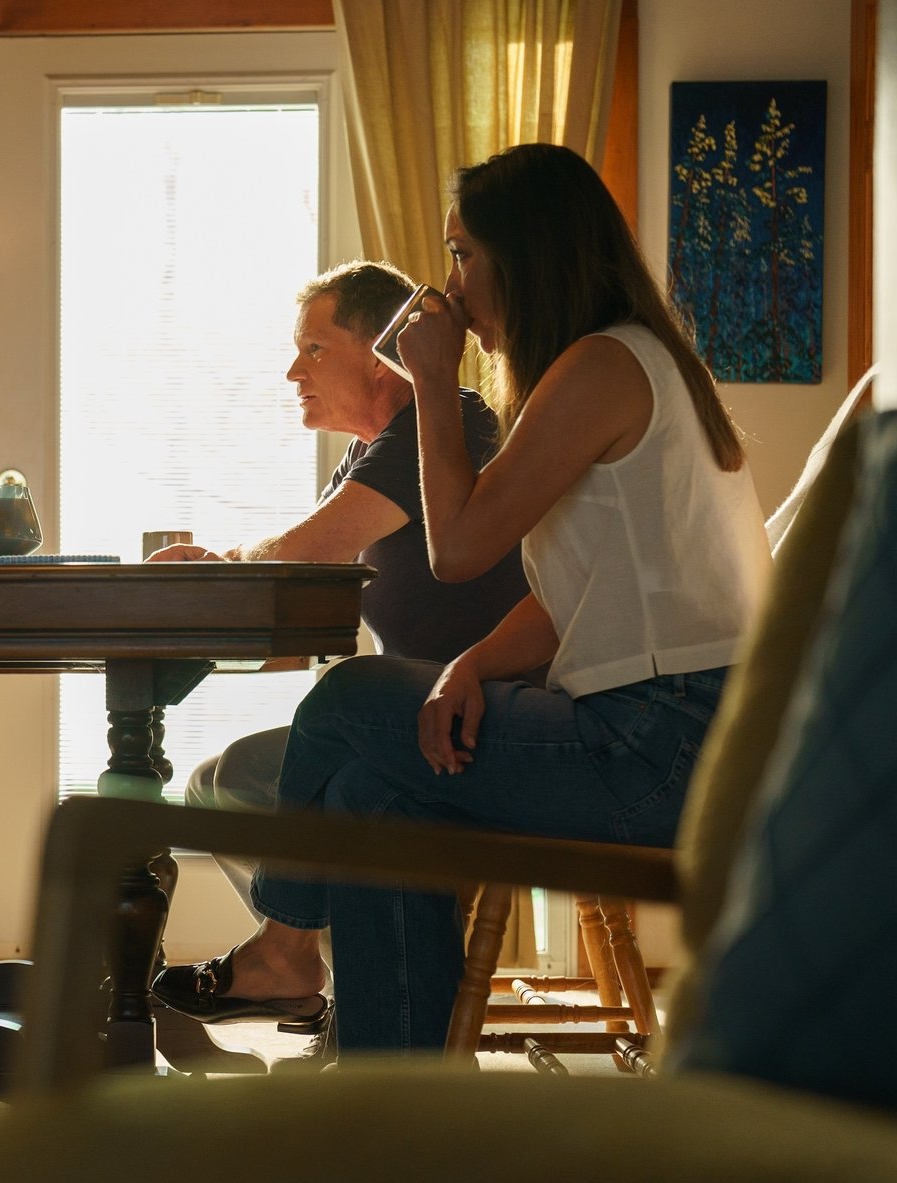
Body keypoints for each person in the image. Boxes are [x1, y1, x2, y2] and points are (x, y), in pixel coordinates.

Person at [203, 142, 770, 1056]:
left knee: (345, 698)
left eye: (463, 254)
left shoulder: (601, 368)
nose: (453, 286)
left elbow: (460, 551)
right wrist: (468, 665)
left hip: (657, 744)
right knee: (366, 793)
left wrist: (433, 380)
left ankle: (286, 944)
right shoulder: (629, 364)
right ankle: (396, 1099)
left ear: (527, 253)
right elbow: (569, 594)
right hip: (673, 735)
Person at [146, 261, 532, 1058]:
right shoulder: (374, 453)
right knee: (220, 781)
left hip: (481, 722)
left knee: (254, 778)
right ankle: (328, 973)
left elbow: (305, 552)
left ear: (383, 352)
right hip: (416, 716)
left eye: (314, 349)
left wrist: (224, 565)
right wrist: (227, 574)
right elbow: (304, 591)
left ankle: (295, 963)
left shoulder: (442, 425)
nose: (294, 371)